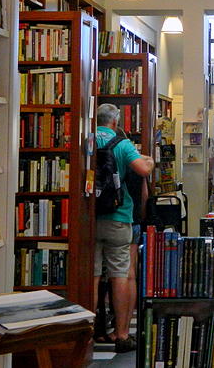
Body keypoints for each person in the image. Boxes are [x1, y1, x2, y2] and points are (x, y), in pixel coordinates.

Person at [93, 103, 154, 353]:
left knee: (93, 274)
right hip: (118, 215)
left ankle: (87, 334)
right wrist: (148, 160)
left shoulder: (86, 137)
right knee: (119, 273)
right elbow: (141, 169)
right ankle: (121, 334)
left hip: (90, 218)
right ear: (115, 122)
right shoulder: (121, 143)